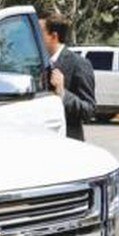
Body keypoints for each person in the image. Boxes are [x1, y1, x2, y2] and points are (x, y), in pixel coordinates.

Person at [39, 12, 96, 141]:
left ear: (53, 36)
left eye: (40, 33)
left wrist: (62, 93)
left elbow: (89, 111)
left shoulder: (79, 64)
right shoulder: (36, 62)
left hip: (67, 141)